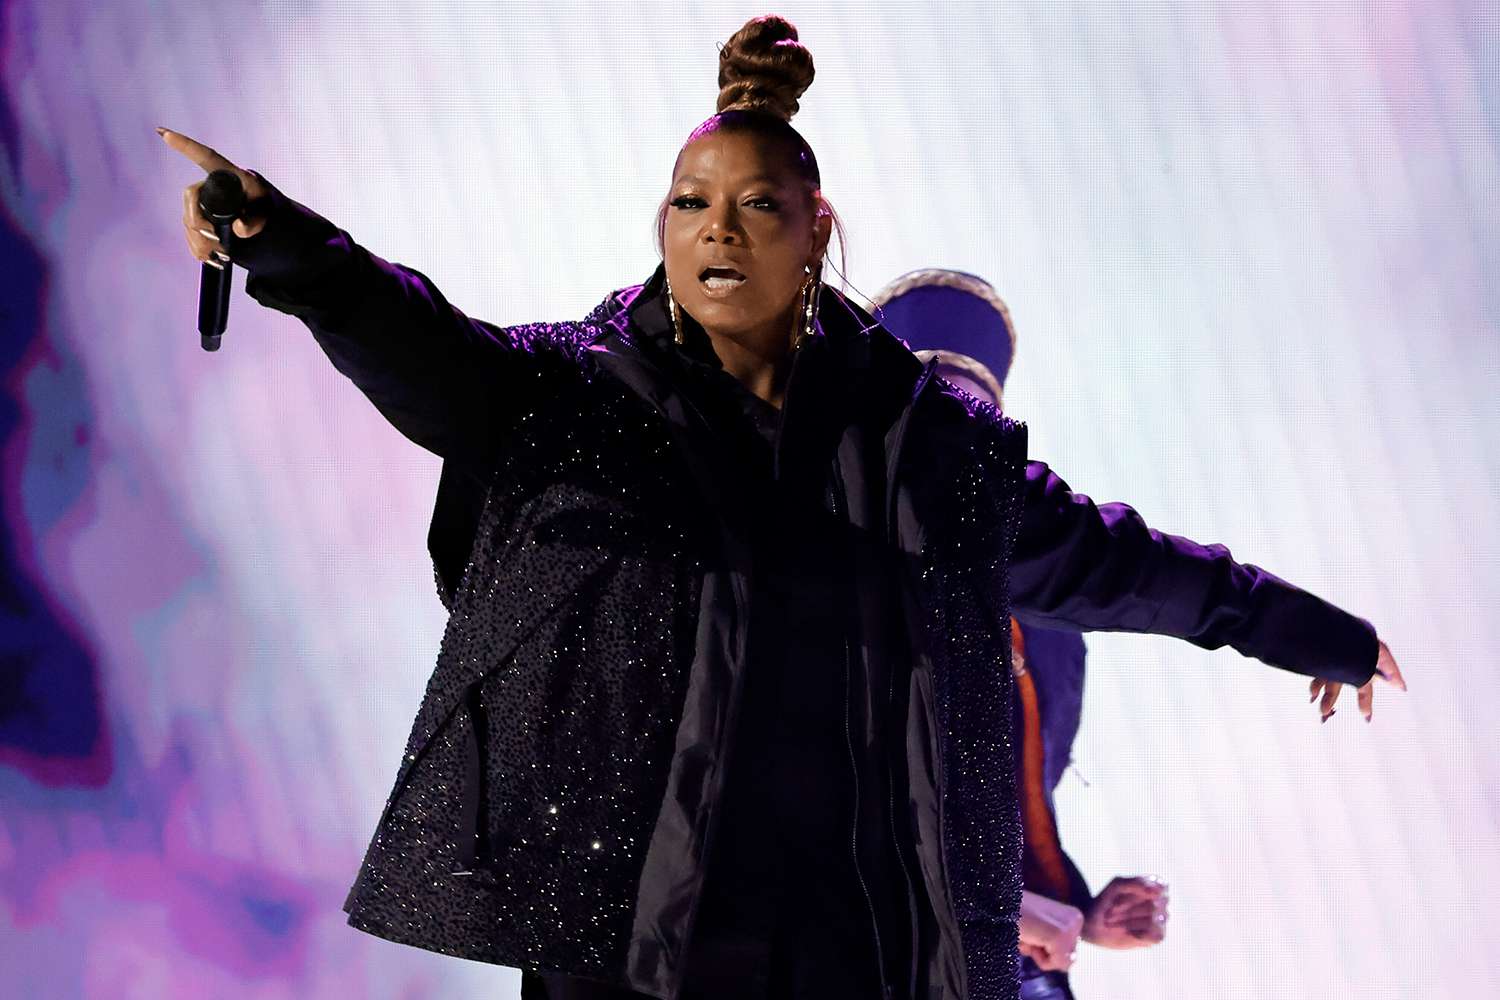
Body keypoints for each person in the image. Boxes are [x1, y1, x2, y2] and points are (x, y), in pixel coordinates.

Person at [159, 15, 1404, 1000]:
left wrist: (1309, 629)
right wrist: (289, 249)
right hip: (636, 929)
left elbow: (1112, 563)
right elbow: (433, 352)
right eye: (692, 203)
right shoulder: (594, 396)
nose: (717, 233)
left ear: (816, 234)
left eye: (756, 206)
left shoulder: (927, 453)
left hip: (849, 939)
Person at [873, 270, 1173, 1000]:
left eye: (973, 423)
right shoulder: (821, 574)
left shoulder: (1051, 624)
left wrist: (1082, 914)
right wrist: (981, 917)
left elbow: (1009, 806)